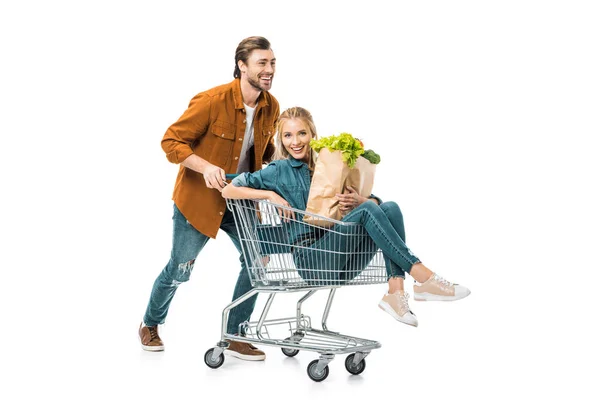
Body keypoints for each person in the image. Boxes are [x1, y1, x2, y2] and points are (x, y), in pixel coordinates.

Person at [222, 107, 470, 327]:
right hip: (313, 261)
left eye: (301, 134)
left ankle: (396, 292)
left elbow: (373, 205)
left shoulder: (330, 163)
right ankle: (422, 275)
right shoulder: (279, 170)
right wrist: (269, 196)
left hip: (342, 258)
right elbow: (229, 189)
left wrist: (361, 200)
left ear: (312, 135)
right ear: (281, 139)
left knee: (390, 207)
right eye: (288, 135)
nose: (295, 142)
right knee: (370, 210)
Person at [139, 36, 279, 360]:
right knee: (179, 270)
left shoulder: (272, 106)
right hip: (199, 201)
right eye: (262, 63)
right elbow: (171, 142)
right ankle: (150, 322)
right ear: (242, 66)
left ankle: (235, 334)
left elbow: (264, 153)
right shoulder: (211, 100)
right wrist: (204, 167)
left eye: (272, 63)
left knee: (258, 263)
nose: (269, 69)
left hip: (241, 199)